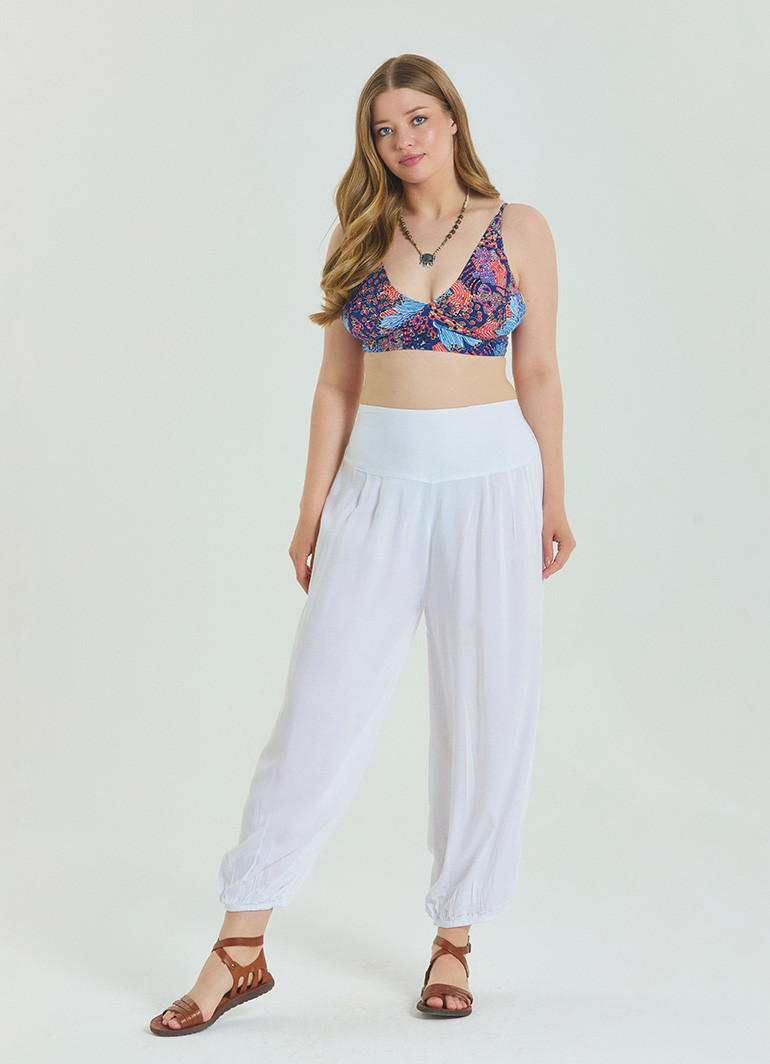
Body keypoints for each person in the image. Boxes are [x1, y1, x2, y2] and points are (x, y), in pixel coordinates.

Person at [150, 52, 575, 1035]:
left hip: (491, 486)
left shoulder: (519, 228)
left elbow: (540, 369)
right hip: (374, 490)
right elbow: (336, 385)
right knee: (319, 706)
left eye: (417, 118)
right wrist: (310, 512)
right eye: (385, 128)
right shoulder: (360, 234)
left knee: (486, 705)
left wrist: (554, 495)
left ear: (452, 120)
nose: (403, 140)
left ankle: (455, 936)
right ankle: (240, 945)